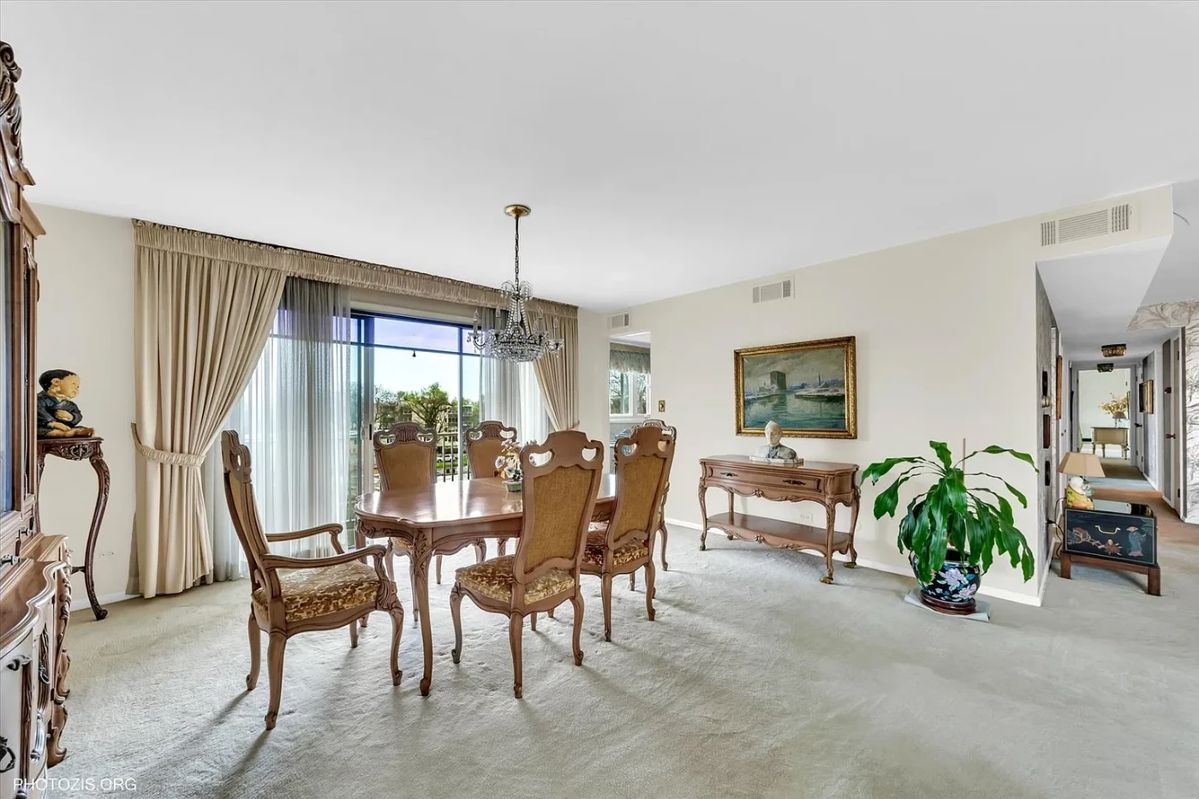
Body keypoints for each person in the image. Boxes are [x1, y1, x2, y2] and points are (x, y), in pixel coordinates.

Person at [37, 369, 95, 438]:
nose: (76, 389)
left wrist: (71, 417)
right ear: (56, 382)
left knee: (80, 428)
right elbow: (39, 411)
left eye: (77, 386)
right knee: (45, 431)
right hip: (45, 426)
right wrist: (52, 423)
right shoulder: (38, 399)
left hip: (66, 427)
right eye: (73, 384)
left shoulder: (69, 404)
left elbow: (78, 414)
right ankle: (67, 434)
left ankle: (76, 432)